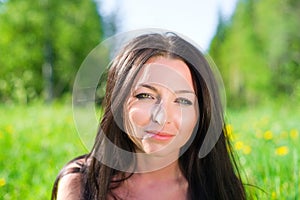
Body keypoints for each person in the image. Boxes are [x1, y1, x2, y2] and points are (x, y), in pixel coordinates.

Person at [51, 31, 246, 200]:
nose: (161, 117)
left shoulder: (221, 189)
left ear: (201, 114)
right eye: (146, 96)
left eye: (183, 101)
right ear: (117, 102)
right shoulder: (82, 182)